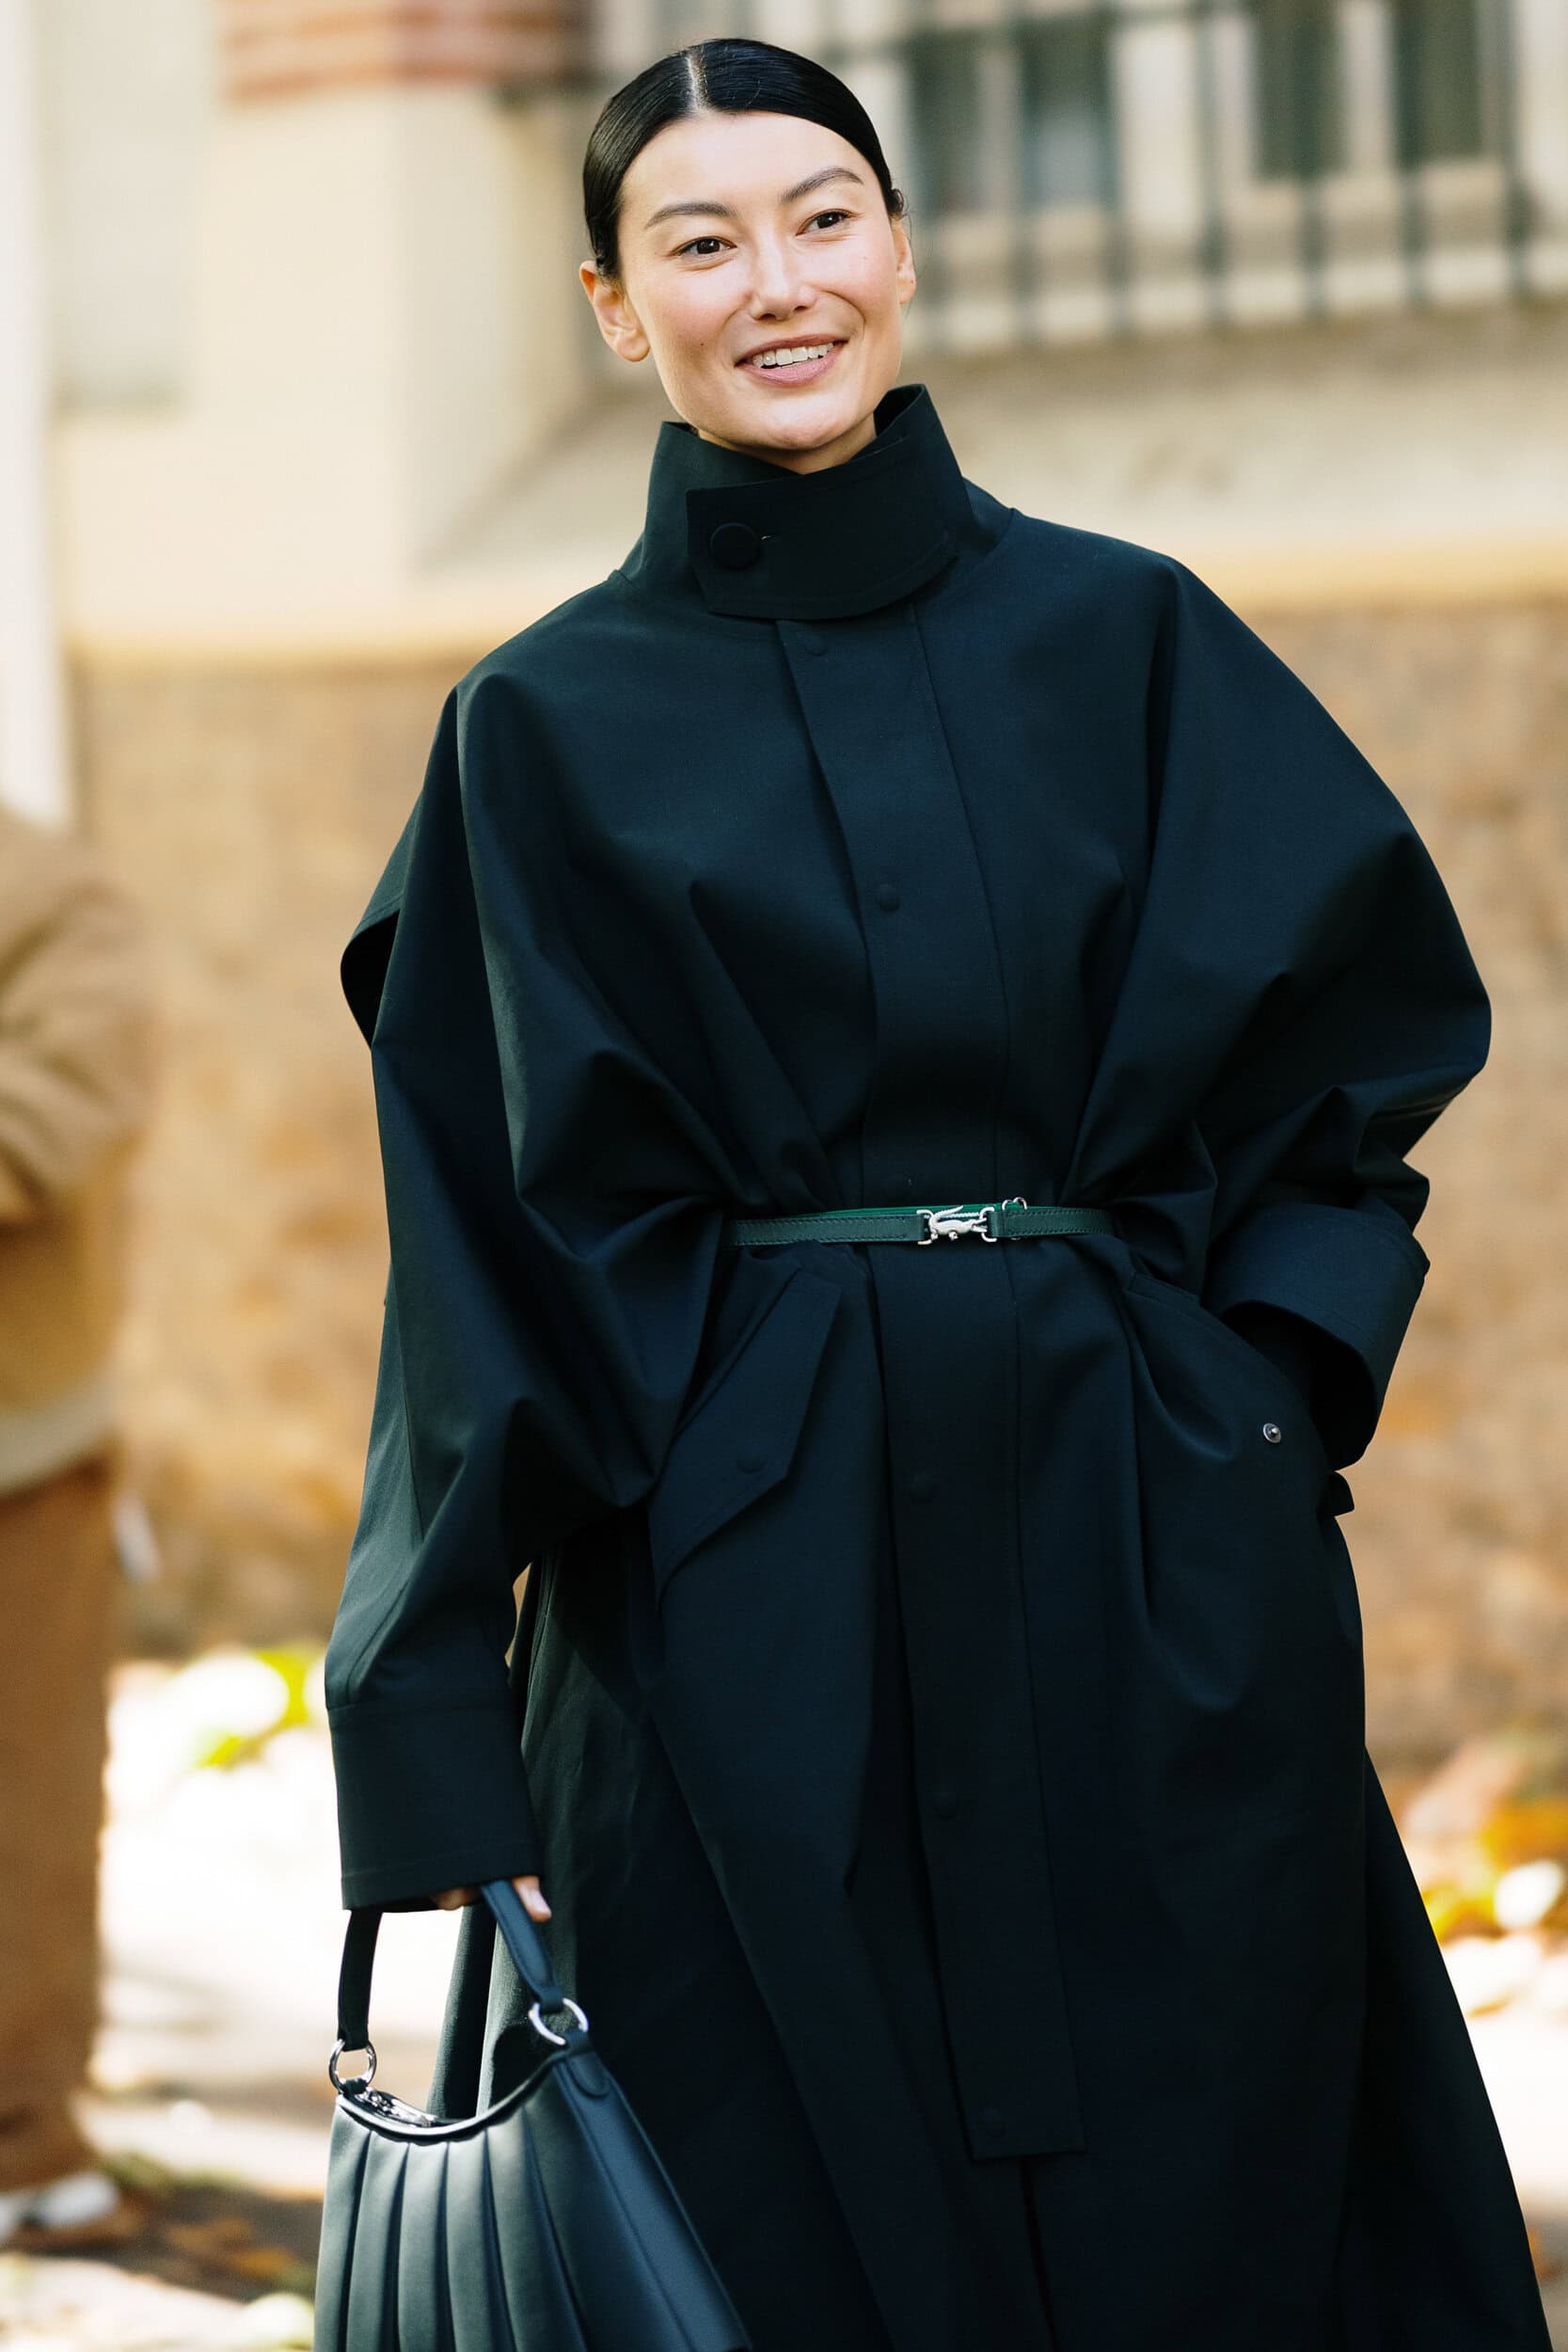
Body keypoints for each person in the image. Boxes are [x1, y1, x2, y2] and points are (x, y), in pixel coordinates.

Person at [323, 37, 1552, 2352]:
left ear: (902, 248)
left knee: (1227, 2206)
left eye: (823, 217)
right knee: (778, 2243)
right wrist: (432, 1754)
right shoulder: (536, 731)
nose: (777, 282)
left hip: (1145, 1555)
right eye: (700, 241)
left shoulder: (1137, 638)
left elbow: (1358, 1046)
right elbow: (475, 1269)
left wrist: (1255, 1399)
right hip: (724, 1621)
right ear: (616, 308)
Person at [0, 801, 158, 2249]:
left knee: (22, 1809)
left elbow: (58, 1117)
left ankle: (22, 2137)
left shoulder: (46, 892)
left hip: (18, 1451)